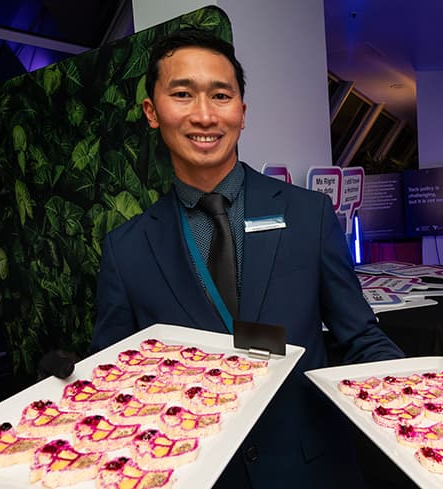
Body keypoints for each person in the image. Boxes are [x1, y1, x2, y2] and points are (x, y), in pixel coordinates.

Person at [90, 29, 404, 489]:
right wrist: (70, 384)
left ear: (242, 112)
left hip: (312, 470)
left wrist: (414, 387)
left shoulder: (307, 215)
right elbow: (116, 381)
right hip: (196, 474)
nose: (204, 115)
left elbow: (359, 336)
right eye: (182, 94)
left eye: (221, 95)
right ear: (152, 112)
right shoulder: (127, 248)